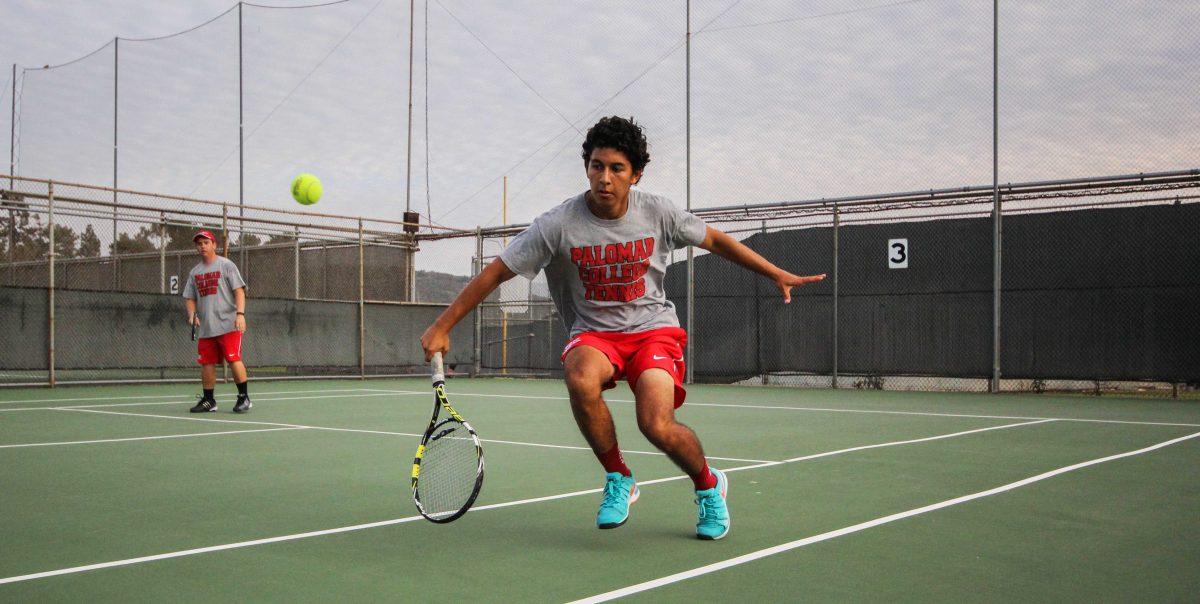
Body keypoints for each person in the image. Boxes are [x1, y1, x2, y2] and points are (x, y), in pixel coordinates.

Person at [420, 116, 825, 540]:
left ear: (636, 174)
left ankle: (708, 485)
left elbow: (718, 241)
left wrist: (775, 272)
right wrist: (442, 325)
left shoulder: (659, 212)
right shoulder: (556, 225)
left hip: (653, 329)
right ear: (587, 167)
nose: (605, 178)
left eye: (616, 168)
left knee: (656, 424)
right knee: (579, 375)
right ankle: (619, 476)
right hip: (595, 334)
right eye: (597, 166)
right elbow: (496, 272)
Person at [182, 230, 252, 414]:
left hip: (229, 324)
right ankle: (209, 400)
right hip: (207, 328)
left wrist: (240, 314)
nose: (202, 246)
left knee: (233, 359)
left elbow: (239, 291)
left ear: (214, 244)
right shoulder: (194, 272)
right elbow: (189, 297)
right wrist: (192, 314)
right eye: (199, 243)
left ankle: (244, 397)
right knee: (207, 363)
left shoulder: (226, 265)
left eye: (206, 242)